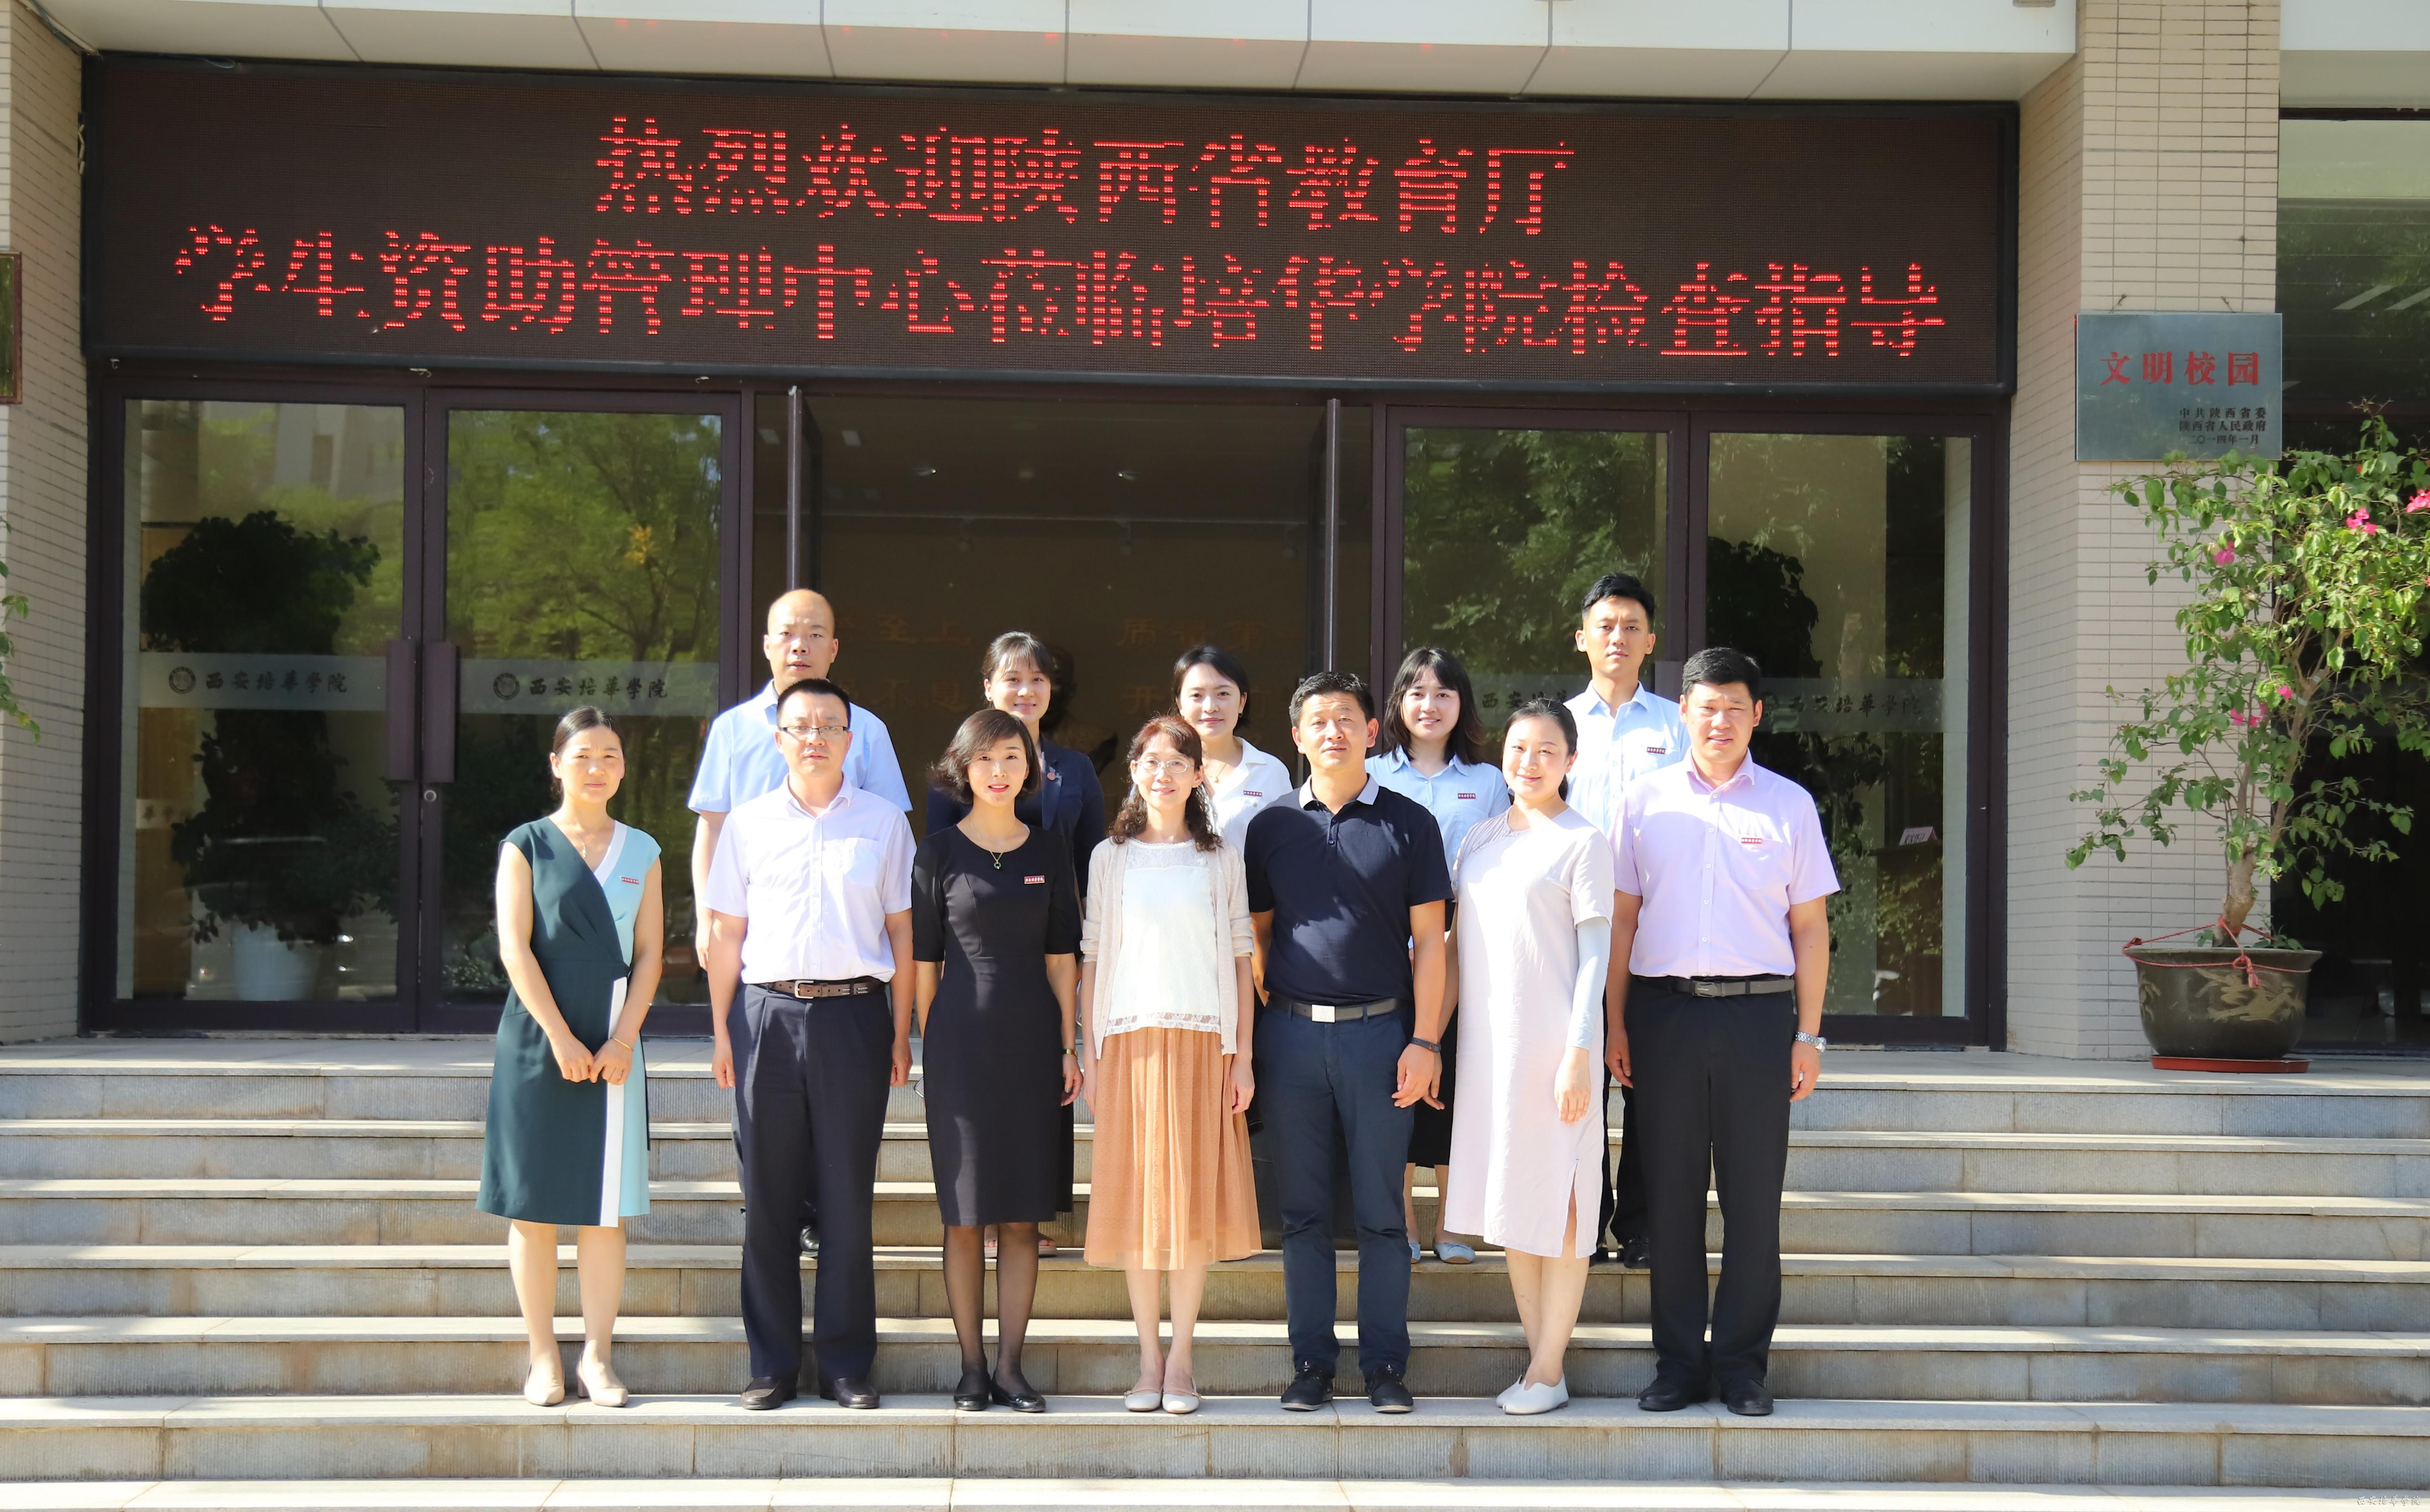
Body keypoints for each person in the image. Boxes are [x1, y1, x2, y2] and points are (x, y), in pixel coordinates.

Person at [1608, 647, 1837, 1418]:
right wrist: (1614, 1021)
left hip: (1757, 1018)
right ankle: (1677, 1363)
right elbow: (1622, 921)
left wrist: (1808, 1035)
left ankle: (1741, 1365)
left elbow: (1810, 928)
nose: (1719, 721)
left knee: (1752, 1200)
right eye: (1705, 707)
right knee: (1669, 1199)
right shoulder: (1643, 802)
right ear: (1682, 713)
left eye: (1734, 707)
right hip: (1663, 1014)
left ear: (1757, 715)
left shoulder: (1787, 805)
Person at [702, 677, 916, 1412]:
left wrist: (901, 1031)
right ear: (779, 740)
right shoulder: (748, 824)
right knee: (767, 1197)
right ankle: (771, 1366)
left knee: (847, 1198)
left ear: (850, 740)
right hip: (765, 1016)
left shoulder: (883, 823)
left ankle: (846, 1366)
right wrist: (721, 1031)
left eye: (830, 725)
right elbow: (726, 934)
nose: (815, 736)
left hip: (854, 1018)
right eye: (801, 726)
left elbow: (901, 932)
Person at [1244, 671, 1451, 1415]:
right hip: (1290, 1040)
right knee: (1301, 1214)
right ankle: (1311, 1363)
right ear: (1295, 736)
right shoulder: (1270, 826)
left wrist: (1424, 1039)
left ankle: (1385, 1365)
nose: (1331, 731)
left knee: (1381, 1214)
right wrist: (1269, 1027)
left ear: (1371, 731)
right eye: (1316, 720)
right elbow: (1257, 938)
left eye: (1345, 718)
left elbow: (1431, 944)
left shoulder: (1409, 823)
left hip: (1382, 1038)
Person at [691, 589, 911, 1259]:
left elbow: (885, 836)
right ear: (766, 645)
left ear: (834, 648)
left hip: (842, 958)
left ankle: (819, 1218)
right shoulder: (734, 729)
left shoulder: (865, 729)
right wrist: (706, 913)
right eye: (787, 633)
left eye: (815, 633)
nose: (800, 645)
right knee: (762, 1117)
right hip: (759, 947)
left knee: (837, 1126)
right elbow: (712, 829)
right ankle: (774, 1217)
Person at [478, 708, 665, 1410]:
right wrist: (559, 1036)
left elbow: (650, 955)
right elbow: (514, 948)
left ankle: (597, 1357)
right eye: (583, 755)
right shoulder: (524, 845)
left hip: (615, 1038)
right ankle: (541, 1358)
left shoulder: (643, 851)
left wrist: (622, 1041)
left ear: (624, 768)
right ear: (556, 765)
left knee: (604, 1211)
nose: (597, 767)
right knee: (532, 1209)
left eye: (610, 755)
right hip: (537, 1039)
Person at [1077, 714, 1261, 1417]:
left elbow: (1241, 957)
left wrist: (1241, 1057)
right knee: (1135, 1208)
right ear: (1134, 772)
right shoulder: (1109, 857)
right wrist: (1091, 1055)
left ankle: (1182, 1360)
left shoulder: (1219, 858)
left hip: (1202, 1044)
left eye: (1177, 762)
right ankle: (1147, 1360)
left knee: (1187, 1208)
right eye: (1150, 761)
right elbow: (1092, 958)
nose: (1163, 774)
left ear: (1197, 776)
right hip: (1127, 1044)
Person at [1442, 699, 1612, 1416]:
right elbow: (1453, 953)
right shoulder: (1479, 838)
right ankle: (1539, 1360)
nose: (1529, 762)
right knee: (1511, 1200)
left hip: (1557, 1050)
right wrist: (1426, 1039)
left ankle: (1547, 1367)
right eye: (1517, 748)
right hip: (1490, 1055)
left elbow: (1595, 956)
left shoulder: (1583, 841)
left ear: (1570, 760)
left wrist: (1578, 1052)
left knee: (1564, 1201)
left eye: (1546, 750)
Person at [911, 709, 1083, 1414]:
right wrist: (930, 1049)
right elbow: (923, 965)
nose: (999, 770)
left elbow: (1063, 960)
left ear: (1030, 768)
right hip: (959, 1046)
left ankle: (1011, 1368)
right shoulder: (937, 853)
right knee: (963, 1216)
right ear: (963, 768)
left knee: (1019, 1217)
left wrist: (1069, 1047)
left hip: (1034, 1045)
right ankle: (970, 1368)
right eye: (984, 758)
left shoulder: (1050, 850)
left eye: (1012, 756)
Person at [928, 631, 1107, 1257]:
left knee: (1040, 1090)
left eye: (1037, 679)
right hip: (977, 943)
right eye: (1012, 678)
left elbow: (1091, 861)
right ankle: (983, 1215)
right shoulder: (961, 766)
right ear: (988, 688)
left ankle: (1031, 1215)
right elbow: (938, 867)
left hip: (1047, 936)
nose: (1025, 690)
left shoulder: (1075, 769)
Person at [1368, 646, 1510, 1267]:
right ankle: (1400, 1214)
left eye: (1443, 694)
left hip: (1462, 950)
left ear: (1462, 705)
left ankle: (1454, 1221)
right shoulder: (1372, 774)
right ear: (1399, 702)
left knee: (1452, 1080)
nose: (1430, 705)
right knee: (1392, 1084)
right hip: (1384, 947)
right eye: (1417, 692)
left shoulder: (1488, 782)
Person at [1564, 571, 1689, 1271]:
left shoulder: (1677, 725)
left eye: (1631, 626)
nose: (1617, 636)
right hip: (1570, 928)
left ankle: (1641, 1225)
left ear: (1649, 641)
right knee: (1580, 1076)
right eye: (1604, 625)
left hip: (1655, 929)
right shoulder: (1556, 725)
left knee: (1648, 1084)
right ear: (1581, 637)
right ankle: (1582, 1218)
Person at [1175, 645, 1294, 852]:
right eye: (1197, 695)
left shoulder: (1271, 771)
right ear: (1180, 705)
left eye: (1223, 694)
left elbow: (1287, 849)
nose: (1210, 707)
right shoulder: (1159, 769)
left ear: (1242, 702)